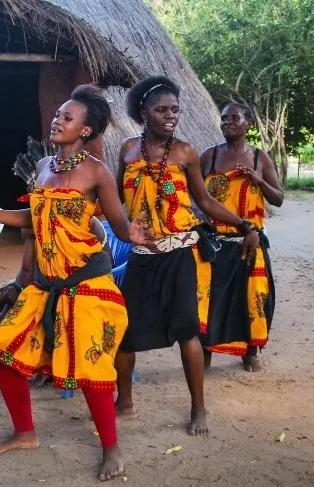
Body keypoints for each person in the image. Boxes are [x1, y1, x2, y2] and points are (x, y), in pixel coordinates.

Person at [0, 85, 152, 481]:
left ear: (86, 130)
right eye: (58, 114)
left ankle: (111, 447)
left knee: (92, 370)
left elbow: (117, 226)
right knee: (4, 353)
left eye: (67, 117)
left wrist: (136, 235)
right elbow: (34, 218)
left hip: (86, 282)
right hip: (46, 285)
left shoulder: (96, 172)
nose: (57, 120)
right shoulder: (44, 165)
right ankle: (25, 433)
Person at [114, 76, 260, 437]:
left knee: (187, 332)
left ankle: (199, 408)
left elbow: (205, 202)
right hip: (141, 256)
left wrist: (245, 226)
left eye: (175, 110)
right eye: (162, 110)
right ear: (143, 113)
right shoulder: (128, 149)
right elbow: (116, 198)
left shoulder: (186, 153)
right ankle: (125, 402)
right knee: (125, 333)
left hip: (180, 255)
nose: (170, 116)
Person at [200, 103, 283, 372]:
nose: (227, 123)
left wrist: (259, 181)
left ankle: (250, 350)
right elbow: (196, 195)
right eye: (224, 119)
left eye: (234, 118)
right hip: (215, 242)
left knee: (253, 297)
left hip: (250, 241)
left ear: (248, 123)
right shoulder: (209, 157)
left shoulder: (260, 158)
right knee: (208, 299)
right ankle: (206, 349)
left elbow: (278, 199)